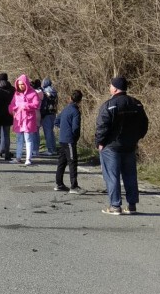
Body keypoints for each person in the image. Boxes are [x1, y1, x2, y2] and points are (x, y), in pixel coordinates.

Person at [96, 77, 149, 215]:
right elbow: (144, 124)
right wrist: (136, 138)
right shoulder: (136, 104)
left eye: (110, 85)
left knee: (112, 176)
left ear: (115, 88)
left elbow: (102, 126)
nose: (109, 88)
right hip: (130, 146)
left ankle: (115, 206)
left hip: (112, 146)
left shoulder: (110, 105)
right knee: (130, 175)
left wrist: (100, 142)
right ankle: (132, 205)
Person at [54, 90, 83, 193]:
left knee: (62, 162)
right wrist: (74, 137)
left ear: (70, 98)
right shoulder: (75, 111)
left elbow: (56, 121)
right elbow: (75, 128)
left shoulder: (66, 109)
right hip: (69, 140)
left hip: (62, 139)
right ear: (80, 100)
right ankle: (74, 186)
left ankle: (59, 184)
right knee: (72, 162)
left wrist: (63, 128)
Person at [8, 74, 40, 166]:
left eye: (22, 84)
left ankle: (28, 158)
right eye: (19, 84)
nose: (20, 86)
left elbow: (36, 104)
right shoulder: (16, 94)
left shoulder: (33, 93)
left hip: (28, 119)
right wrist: (12, 110)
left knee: (28, 139)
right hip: (18, 119)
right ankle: (18, 157)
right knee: (19, 139)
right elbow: (11, 105)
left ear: (26, 84)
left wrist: (25, 105)